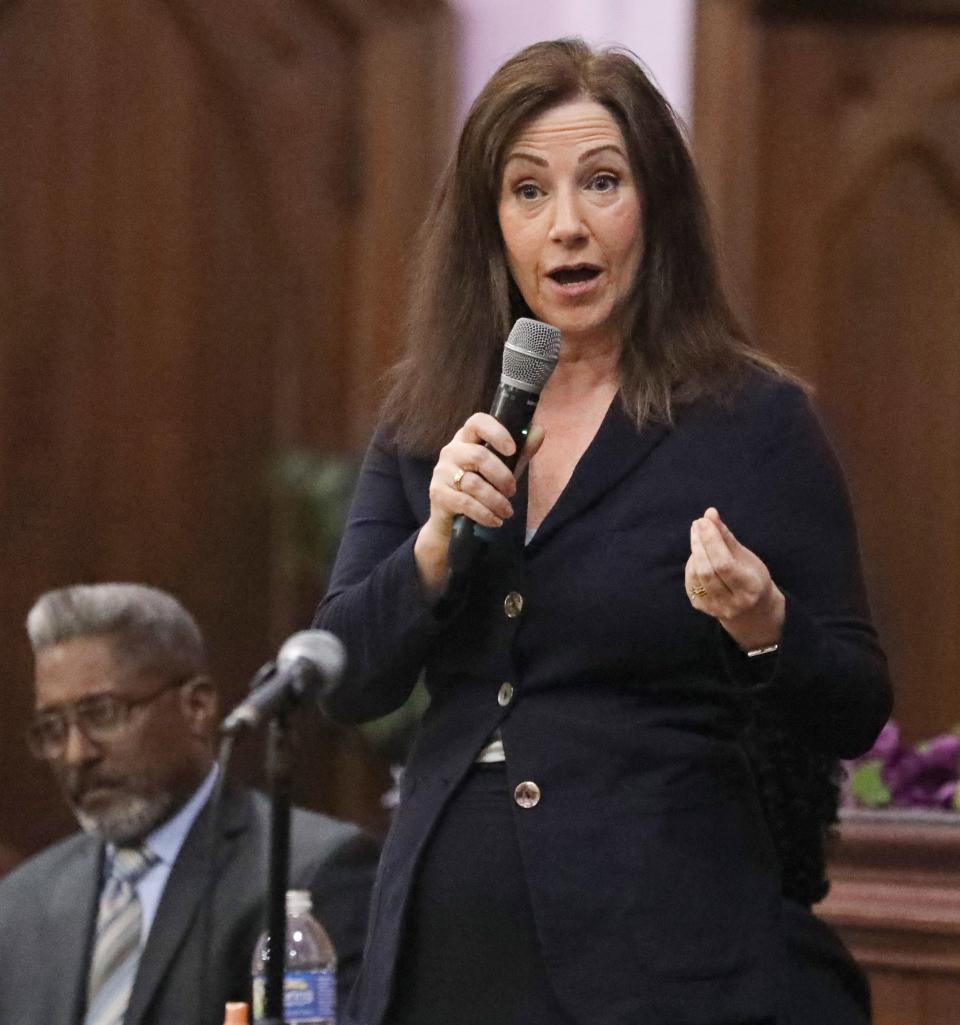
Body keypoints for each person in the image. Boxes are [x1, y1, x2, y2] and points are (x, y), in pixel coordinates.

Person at [313, 37, 892, 1025]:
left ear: (655, 209)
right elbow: (346, 677)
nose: (567, 225)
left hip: (661, 951)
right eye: (528, 192)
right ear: (491, 227)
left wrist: (763, 623)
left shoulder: (752, 421)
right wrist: (432, 549)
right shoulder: (430, 421)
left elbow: (855, 702)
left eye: (603, 182)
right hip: (442, 954)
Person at [0, 583, 380, 1025]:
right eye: (52, 727)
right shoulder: (20, 904)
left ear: (197, 707)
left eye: (101, 713)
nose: (75, 753)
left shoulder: (310, 872)